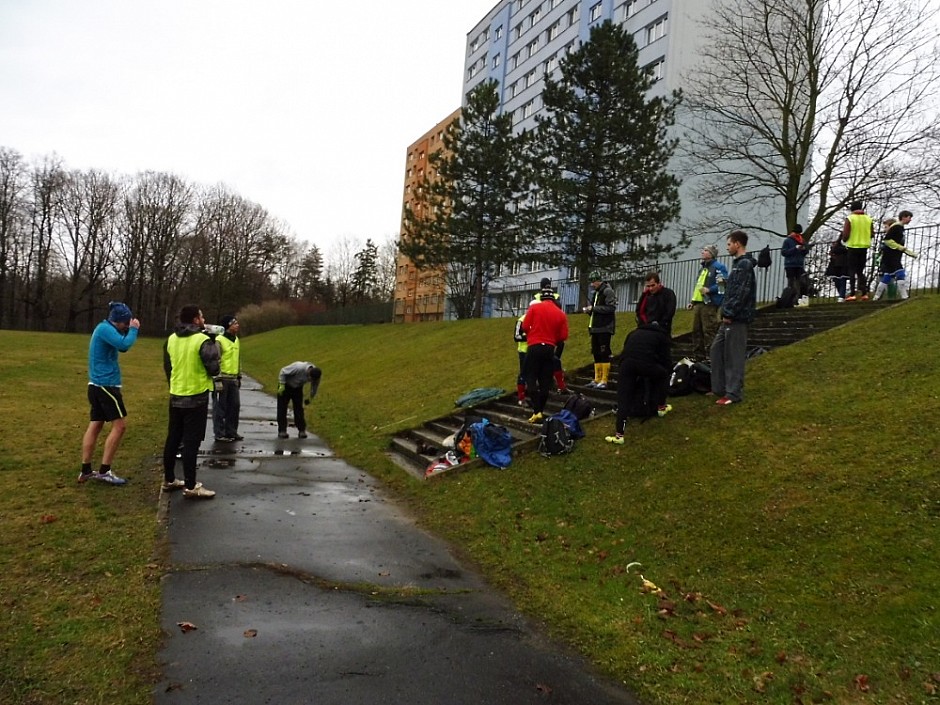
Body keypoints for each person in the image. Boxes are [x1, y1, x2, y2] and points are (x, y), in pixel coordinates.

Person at [162, 305, 221, 499]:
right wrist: (213, 344)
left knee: (173, 438)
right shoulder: (203, 340)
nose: (204, 319)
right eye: (202, 316)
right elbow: (213, 368)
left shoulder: (171, 339)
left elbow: (169, 366)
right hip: (196, 396)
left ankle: (169, 479)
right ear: (196, 320)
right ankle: (190, 485)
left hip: (176, 393)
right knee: (191, 442)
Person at [79, 301, 141, 485]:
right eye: (125, 324)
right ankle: (105, 471)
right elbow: (124, 345)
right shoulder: (105, 329)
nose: (126, 327)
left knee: (96, 425)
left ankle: (86, 471)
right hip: (105, 386)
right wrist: (134, 329)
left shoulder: (104, 328)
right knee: (120, 426)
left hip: (96, 385)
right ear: (120, 321)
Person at [605, 323, 673, 445]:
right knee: (662, 375)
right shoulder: (661, 336)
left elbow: (625, 350)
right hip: (646, 364)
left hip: (626, 364)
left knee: (623, 398)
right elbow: (666, 359)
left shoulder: (633, 333)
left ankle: (619, 435)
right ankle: (661, 407)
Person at [710, 230, 757, 405]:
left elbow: (741, 292)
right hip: (729, 316)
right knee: (716, 350)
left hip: (737, 318)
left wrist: (729, 313)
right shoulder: (738, 265)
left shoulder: (744, 265)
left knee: (734, 356)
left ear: (737, 244)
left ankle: (733, 393)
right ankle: (719, 387)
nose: (727, 247)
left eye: (729, 244)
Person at [521, 290, 569, 424]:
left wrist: (532, 334)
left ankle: (536, 410)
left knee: (530, 376)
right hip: (549, 348)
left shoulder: (535, 308)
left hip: (534, 346)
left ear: (542, 298)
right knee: (545, 381)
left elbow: (525, 326)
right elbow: (563, 335)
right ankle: (540, 411)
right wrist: (552, 338)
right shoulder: (560, 313)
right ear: (553, 299)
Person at [687, 246, 728, 360]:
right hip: (699, 303)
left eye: (705, 251)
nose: (702, 252)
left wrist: (710, 290)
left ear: (711, 253)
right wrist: (693, 301)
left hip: (709, 304)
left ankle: (712, 356)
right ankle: (698, 357)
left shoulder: (718, 267)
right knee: (696, 331)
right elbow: (698, 286)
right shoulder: (703, 269)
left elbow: (722, 285)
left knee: (709, 330)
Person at [532, 277, 570, 394]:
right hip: (553, 333)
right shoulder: (556, 297)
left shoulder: (536, 298)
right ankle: (558, 383)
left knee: (547, 361)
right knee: (554, 360)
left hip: (542, 335)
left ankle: (546, 382)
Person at [873, 210, 918, 300]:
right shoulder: (896, 227)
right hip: (891, 256)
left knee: (887, 277)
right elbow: (887, 240)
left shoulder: (900, 228)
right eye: (909, 217)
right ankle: (905, 296)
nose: (910, 220)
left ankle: (876, 297)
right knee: (900, 273)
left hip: (893, 255)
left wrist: (908, 252)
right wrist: (900, 248)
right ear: (904, 217)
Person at [582, 272, 617, 389]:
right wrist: (589, 310)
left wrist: (594, 308)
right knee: (596, 353)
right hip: (595, 328)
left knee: (604, 353)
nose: (592, 284)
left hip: (604, 327)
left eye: (593, 282)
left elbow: (611, 308)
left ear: (599, 281)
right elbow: (596, 310)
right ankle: (597, 379)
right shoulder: (596, 293)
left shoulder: (607, 291)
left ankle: (604, 379)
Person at [212, 315, 243, 442]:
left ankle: (231, 431)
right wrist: (217, 378)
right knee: (220, 407)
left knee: (234, 406)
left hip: (233, 378)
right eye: (234, 323)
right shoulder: (219, 340)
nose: (237, 325)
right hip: (222, 378)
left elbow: (238, 359)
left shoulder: (236, 340)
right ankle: (220, 433)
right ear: (228, 326)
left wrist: (239, 375)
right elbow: (215, 359)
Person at [277, 362, 322, 438]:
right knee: (282, 408)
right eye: (310, 378)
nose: (310, 380)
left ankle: (301, 430)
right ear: (309, 372)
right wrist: (281, 385)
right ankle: (282, 431)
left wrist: (310, 398)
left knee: (299, 409)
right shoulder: (299, 368)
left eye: (312, 380)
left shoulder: (316, 376)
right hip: (285, 385)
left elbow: (314, 388)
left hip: (297, 388)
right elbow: (283, 371)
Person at [841, 201, 874, 301]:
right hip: (864, 246)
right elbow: (872, 234)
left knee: (852, 270)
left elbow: (846, 234)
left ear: (852, 209)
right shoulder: (868, 219)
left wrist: (844, 240)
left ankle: (852, 293)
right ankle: (864, 293)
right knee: (860, 271)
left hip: (852, 246)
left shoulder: (850, 218)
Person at [781, 224, 810, 306]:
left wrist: (804, 249)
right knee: (791, 283)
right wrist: (795, 248)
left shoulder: (802, 240)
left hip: (799, 264)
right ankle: (790, 301)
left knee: (801, 282)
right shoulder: (787, 240)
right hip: (790, 265)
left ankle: (799, 300)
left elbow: (805, 252)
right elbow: (784, 252)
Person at [513, 309, 528, 406]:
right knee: (523, 373)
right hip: (524, 351)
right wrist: (529, 336)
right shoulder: (521, 320)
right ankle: (521, 397)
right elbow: (516, 337)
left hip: (536, 350)